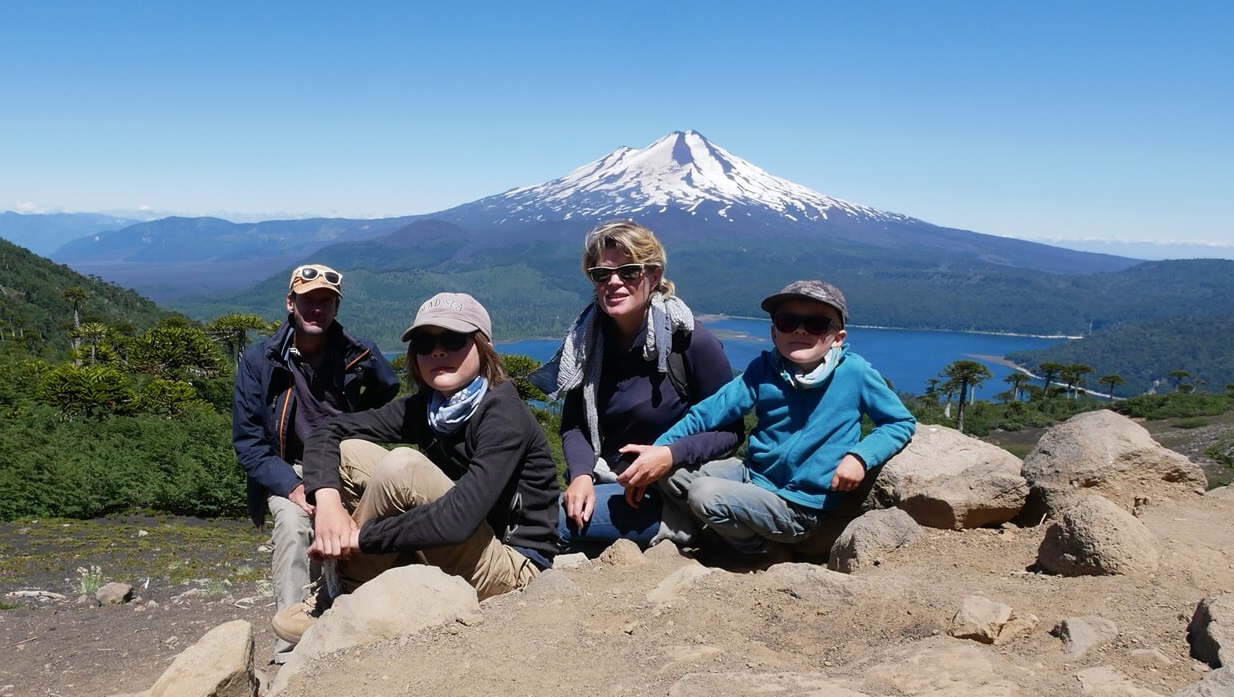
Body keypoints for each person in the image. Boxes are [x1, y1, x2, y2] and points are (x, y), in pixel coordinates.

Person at [275, 292, 558, 639]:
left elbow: (457, 521)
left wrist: (359, 538)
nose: (438, 351)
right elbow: (327, 431)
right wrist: (329, 503)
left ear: (483, 346)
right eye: (425, 342)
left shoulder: (503, 415)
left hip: (514, 567)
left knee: (403, 466)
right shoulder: (431, 407)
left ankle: (343, 590)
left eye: (453, 339)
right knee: (349, 451)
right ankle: (351, 580)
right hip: (456, 548)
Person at [621, 280, 916, 558]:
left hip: (800, 504)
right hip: (753, 478)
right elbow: (708, 412)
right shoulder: (765, 369)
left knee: (703, 493)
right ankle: (701, 530)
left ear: (837, 338)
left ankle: (761, 552)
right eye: (788, 322)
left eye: (815, 324)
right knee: (668, 468)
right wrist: (660, 450)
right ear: (775, 332)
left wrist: (860, 457)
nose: (800, 331)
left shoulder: (855, 374)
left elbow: (899, 422)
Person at [533, 220, 741, 549]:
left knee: (543, 525)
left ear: (654, 276)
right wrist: (581, 475)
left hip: (672, 493)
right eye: (601, 274)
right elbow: (574, 425)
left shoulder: (690, 342)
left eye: (629, 272)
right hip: (611, 480)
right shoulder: (587, 342)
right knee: (521, 509)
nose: (613, 282)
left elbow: (731, 430)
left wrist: (669, 454)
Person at [233, 264, 399, 662]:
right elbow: (249, 442)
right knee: (292, 527)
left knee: (372, 520)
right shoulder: (260, 361)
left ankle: (364, 623)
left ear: (336, 307)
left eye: (326, 302)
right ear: (291, 304)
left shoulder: (355, 353)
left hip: (343, 462)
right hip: (287, 468)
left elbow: (389, 388)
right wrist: (291, 487)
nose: (316, 309)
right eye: (308, 301)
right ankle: (293, 648)